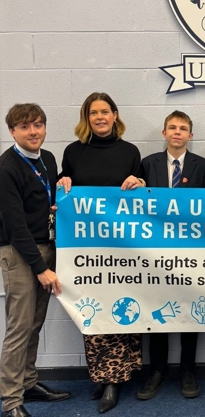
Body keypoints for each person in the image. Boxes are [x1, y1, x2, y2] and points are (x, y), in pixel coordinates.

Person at [58, 92, 145, 414]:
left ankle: (116, 379)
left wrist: (139, 183)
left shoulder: (129, 151)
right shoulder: (73, 152)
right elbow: (65, 191)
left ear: (115, 115)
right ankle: (101, 374)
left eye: (104, 112)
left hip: (124, 247)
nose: (99, 117)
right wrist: (62, 181)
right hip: (88, 250)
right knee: (92, 308)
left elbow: (142, 196)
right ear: (86, 117)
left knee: (124, 306)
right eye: (93, 112)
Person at [0, 104, 71, 417]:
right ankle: (11, 401)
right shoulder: (6, 167)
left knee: (35, 323)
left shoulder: (48, 158)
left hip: (45, 248)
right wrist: (40, 269)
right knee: (19, 327)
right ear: (12, 131)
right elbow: (15, 225)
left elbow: (44, 202)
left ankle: (29, 382)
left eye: (39, 125)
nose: (34, 132)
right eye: (26, 126)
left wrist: (60, 195)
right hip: (19, 253)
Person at [137, 111, 205, 400]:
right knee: (158, 310)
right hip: (156, 251)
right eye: (172, 127)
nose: (177, 132)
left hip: (191, 251)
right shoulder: (147, 163)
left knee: (189, 309)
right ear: (164, 132)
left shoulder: (203, 166)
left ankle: (188, 369)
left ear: (190, 135)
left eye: (183, 129)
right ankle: (157, 370)